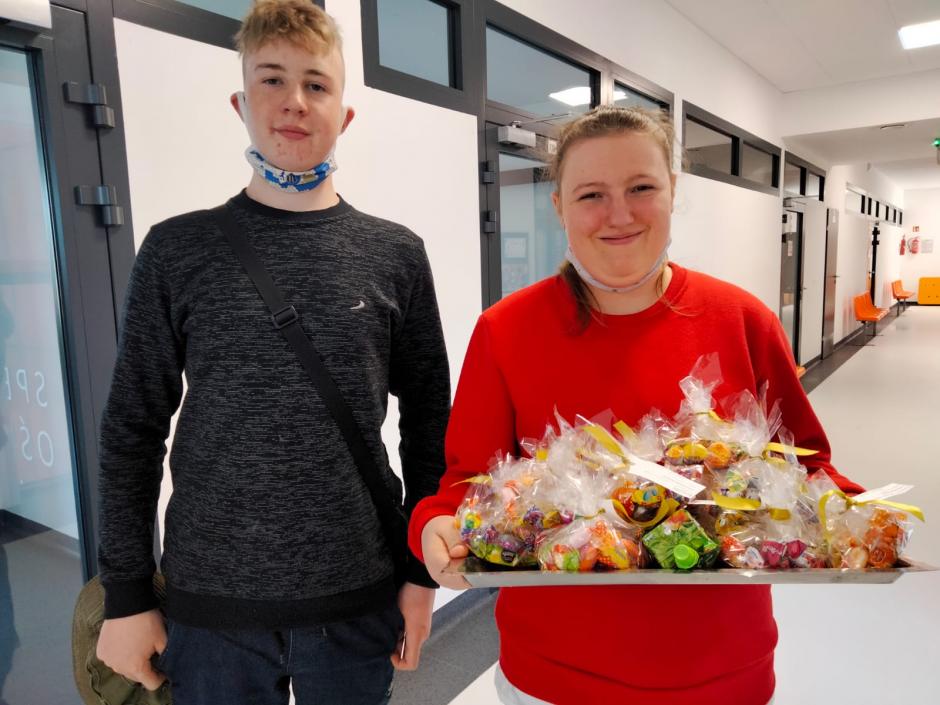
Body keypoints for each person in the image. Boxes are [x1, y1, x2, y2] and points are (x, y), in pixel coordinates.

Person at [414, 105, 863, 705]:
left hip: (722, 672)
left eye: (641, 188)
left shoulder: (742, 320)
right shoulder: (506, 330)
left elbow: (809, 469)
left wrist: (854, 518)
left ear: (673, 190)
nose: (619, 214)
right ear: (560, 207)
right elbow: (466, 486)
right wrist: (434, 526)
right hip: (552, 677)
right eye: (591, 194)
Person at [94, 2, 450, 703]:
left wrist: (421, 575)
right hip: (210, 607)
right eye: (272, 79)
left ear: (344, 114)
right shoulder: (177, 250)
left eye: (317, 84)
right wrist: (125, 595)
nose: (294, 101)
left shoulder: (396, 254)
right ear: (241, 103)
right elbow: (132, 428)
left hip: (358, 596)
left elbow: (430, 423)